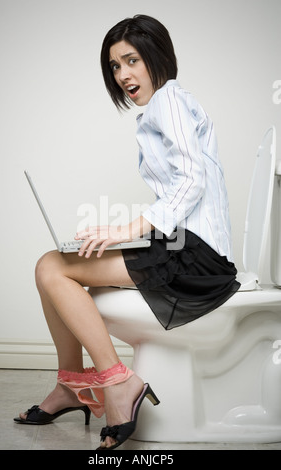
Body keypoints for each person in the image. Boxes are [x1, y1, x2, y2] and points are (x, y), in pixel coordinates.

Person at [14, 14, 240, 449]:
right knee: (52, 267)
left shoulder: (169, 99)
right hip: (184, 247)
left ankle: (115, 382)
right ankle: (72, 384)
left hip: (197, 258)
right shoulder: (160, 109)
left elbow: (192, 180)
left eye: (132, 60)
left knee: (52, 269)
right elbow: (181, 188)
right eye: (115, 66)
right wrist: (130, 232)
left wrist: (129, 228)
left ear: (157, 56)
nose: (122, 75)